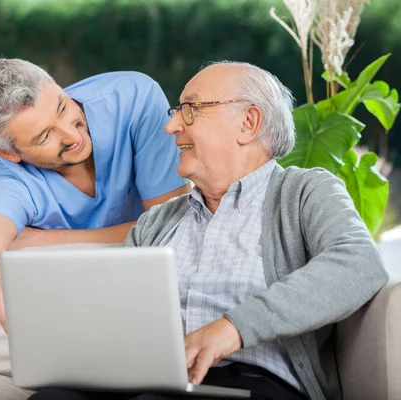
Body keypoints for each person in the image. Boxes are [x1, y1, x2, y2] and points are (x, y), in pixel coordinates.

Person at [28, 62, 389, 400]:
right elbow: (118, 315)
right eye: (176, 112)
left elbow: (360, 264)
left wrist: (233, 328)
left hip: (255, 384)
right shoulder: (157, 222)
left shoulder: (304, 192)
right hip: (152, 381)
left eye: (191, 109)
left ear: (248, 123)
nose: (171, 127)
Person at [0, 58, 190, 329]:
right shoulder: (8, 180)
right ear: (8, 153)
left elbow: (175, 228)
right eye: (43, 137)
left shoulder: (134, 99)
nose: (71, 136)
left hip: (159, 289)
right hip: (80, 310)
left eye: (63, 107)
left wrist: (47, 240)